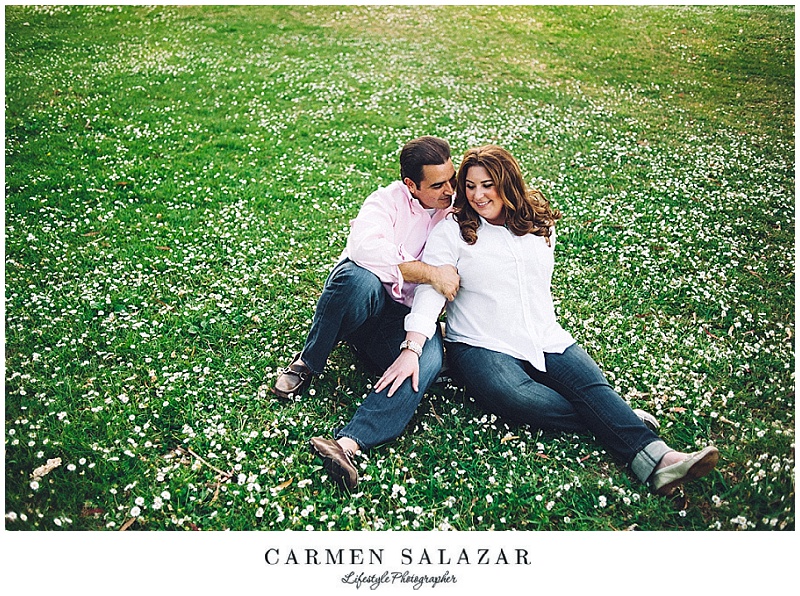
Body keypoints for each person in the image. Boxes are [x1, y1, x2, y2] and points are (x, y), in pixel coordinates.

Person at [378, 145, 720, 496]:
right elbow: (431, 291)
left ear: (507, 183)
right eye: (469, 186)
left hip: (544, 335)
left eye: (487, 185)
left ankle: (661, 462)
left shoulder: (538, 225)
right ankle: (621, 420)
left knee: (592, 388)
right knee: (519, 398)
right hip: (480, 343)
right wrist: (413, 346)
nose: (477, 195)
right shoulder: (453, 230)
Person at [272, 136, 459, 489]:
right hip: (363, 304)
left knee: (429, 361)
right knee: (357, 278)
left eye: (452, 177)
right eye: (438, 185)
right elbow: (365, 250)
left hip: (405, 320)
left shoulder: (454, 211)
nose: (450, 189)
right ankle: (308, 362)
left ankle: (347, 444)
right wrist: (429, 272)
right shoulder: (386, 201)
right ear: (411, 186)